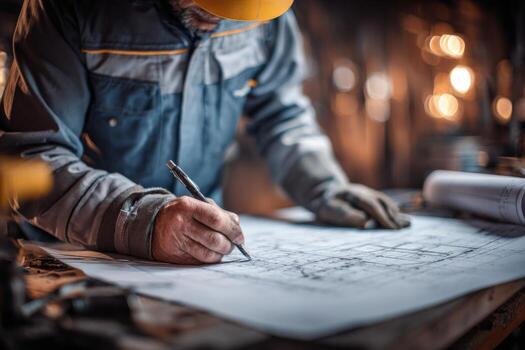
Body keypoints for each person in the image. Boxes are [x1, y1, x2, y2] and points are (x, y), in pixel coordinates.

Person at [0, 0, 410, 265]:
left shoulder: (265, 14)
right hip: (71, 256)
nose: (221, 22)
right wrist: (145, 220)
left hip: (200, 259)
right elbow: (33, 157)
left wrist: (324, 186)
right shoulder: (67, 10)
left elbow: (281, 113)